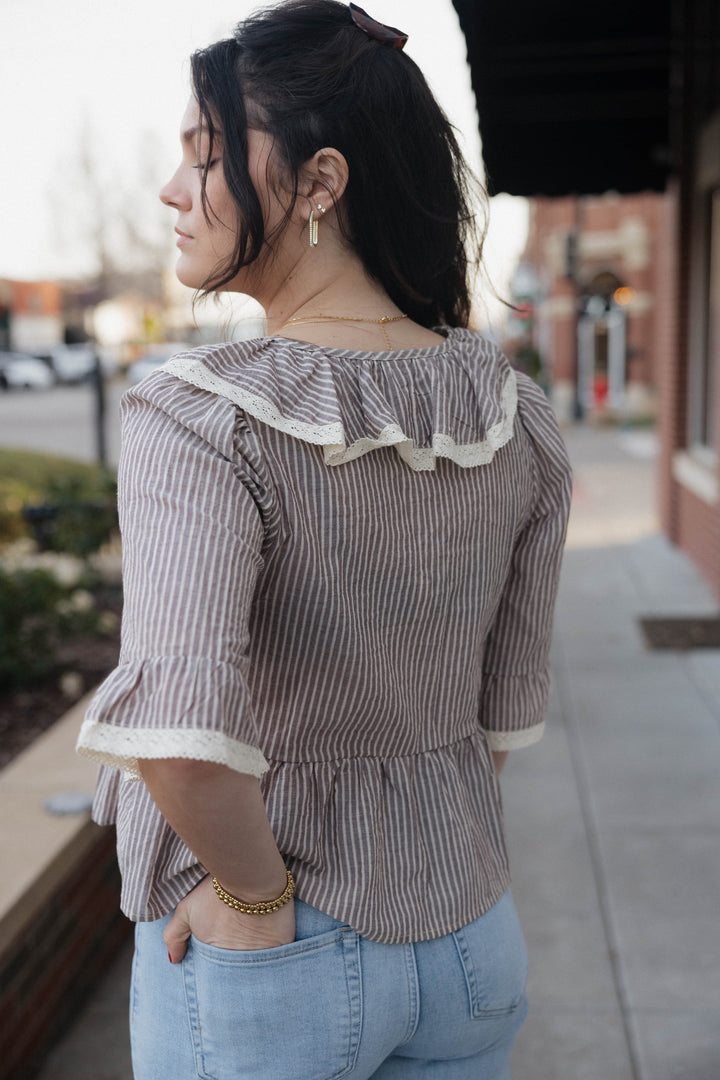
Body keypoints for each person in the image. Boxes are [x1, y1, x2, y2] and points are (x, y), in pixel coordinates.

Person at [77, 2, 572, 1076]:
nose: (172, 191)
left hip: (279, 949)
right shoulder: (512, 410)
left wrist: (255, 895)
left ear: (319, 182)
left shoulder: (200, 413)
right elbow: (499, 713)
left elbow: (178, 728)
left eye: (205, 157)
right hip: (470, 939)